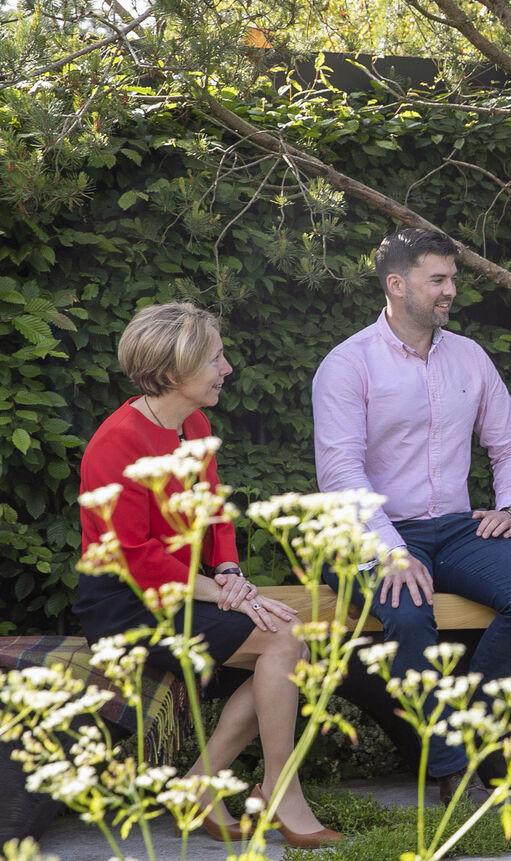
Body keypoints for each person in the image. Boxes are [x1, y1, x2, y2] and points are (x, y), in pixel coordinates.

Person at [75, 302, 342, 848]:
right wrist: (227, 595)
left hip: (192, 586)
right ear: (175, 373)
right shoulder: (116, 443)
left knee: (290, 645)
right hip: (127, 602)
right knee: (289, 644)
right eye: (216, 359)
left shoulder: (194, 423)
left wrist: (229, 571)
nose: (227, 369)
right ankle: (273, 790)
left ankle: (208, 783)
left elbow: (215, 510)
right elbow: (134, 558)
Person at [312, 227, 511, 803]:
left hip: (453, 527)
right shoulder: (348, 365)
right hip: (365, 531)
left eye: (453, 278)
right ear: (397, 285)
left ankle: (472, 732)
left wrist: (510, 505)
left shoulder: (468, 357)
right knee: (407, 608)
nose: (451, 290)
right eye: (438, 279)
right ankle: (449, 768)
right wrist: (389, 550)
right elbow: (340, 472)